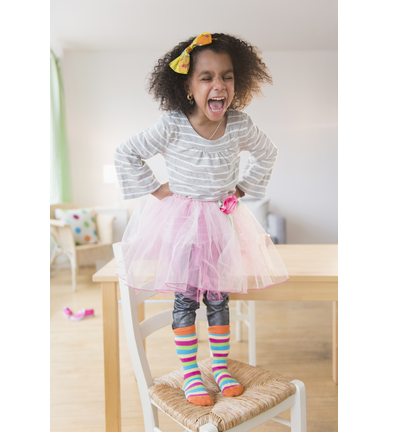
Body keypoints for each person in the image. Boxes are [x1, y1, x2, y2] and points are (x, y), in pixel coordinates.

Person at [114, 32, 288, 406]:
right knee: (185, 299)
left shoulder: (239, 124)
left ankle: (219, 367)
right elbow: (127, 154)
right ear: (188, 87)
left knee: (219, 297)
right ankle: (191, 371)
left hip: (222, 225)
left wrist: (240, 190)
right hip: (181, 224)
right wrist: (159, 190)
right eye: (206, 77)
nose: (218, 85)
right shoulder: (172, 125)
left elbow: (267, 153)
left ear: (237, 83)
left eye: (226, 76)